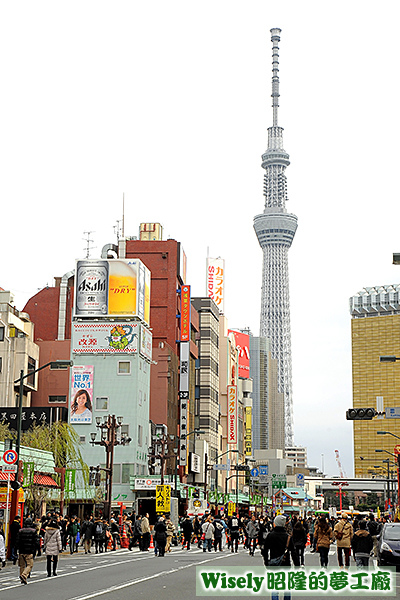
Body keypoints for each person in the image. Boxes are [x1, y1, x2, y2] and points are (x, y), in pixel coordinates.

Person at [261, 515, 294, 600]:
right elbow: (294, 553)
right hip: (286, 563)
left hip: (274, 563)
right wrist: (297, 565)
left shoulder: (270, 535)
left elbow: (265, 550)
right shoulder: (288, 537)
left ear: (275, 523)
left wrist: (266, 561)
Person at [16, 517, 40, 585]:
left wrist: (16, 549)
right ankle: (24, 575)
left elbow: (17, 541)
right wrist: (37, 549)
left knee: (22, 565)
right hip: (29, 550)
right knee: (30, 565)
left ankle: (22, 577)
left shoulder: (20, 531)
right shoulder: (33, 531)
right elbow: (36, 541)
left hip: (21, 550)